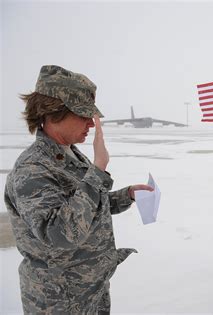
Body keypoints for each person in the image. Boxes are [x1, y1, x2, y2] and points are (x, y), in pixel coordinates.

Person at [4, 65, 153, 314]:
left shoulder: (70, 153)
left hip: (90, 290)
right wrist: (98, 170)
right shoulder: (33, 169)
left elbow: (86, 205)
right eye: (84, 115)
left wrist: (126, 196)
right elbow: (59, 233)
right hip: (59, 300)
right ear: (53, 113)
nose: (91, 124)